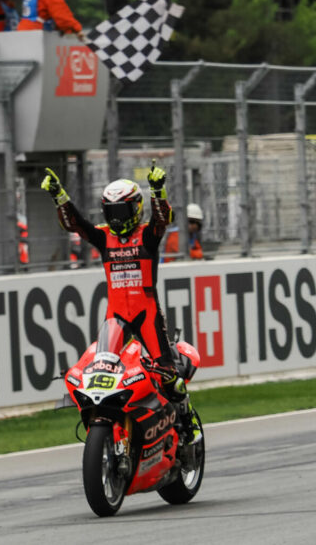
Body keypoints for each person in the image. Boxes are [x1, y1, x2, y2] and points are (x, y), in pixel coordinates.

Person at [41, 163, 200, 440]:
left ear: (136, 209)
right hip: (116, 317)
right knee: (101, 370)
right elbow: (75, 223)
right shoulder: (104, 237)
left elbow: (163, 219)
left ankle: (187, 420)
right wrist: (59, 196)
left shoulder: (148, 236)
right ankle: (109, 429)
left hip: (146, 315)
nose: (116, 219)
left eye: (121, 211)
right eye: (110, 212)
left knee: (169, 376)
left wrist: (157, 191)